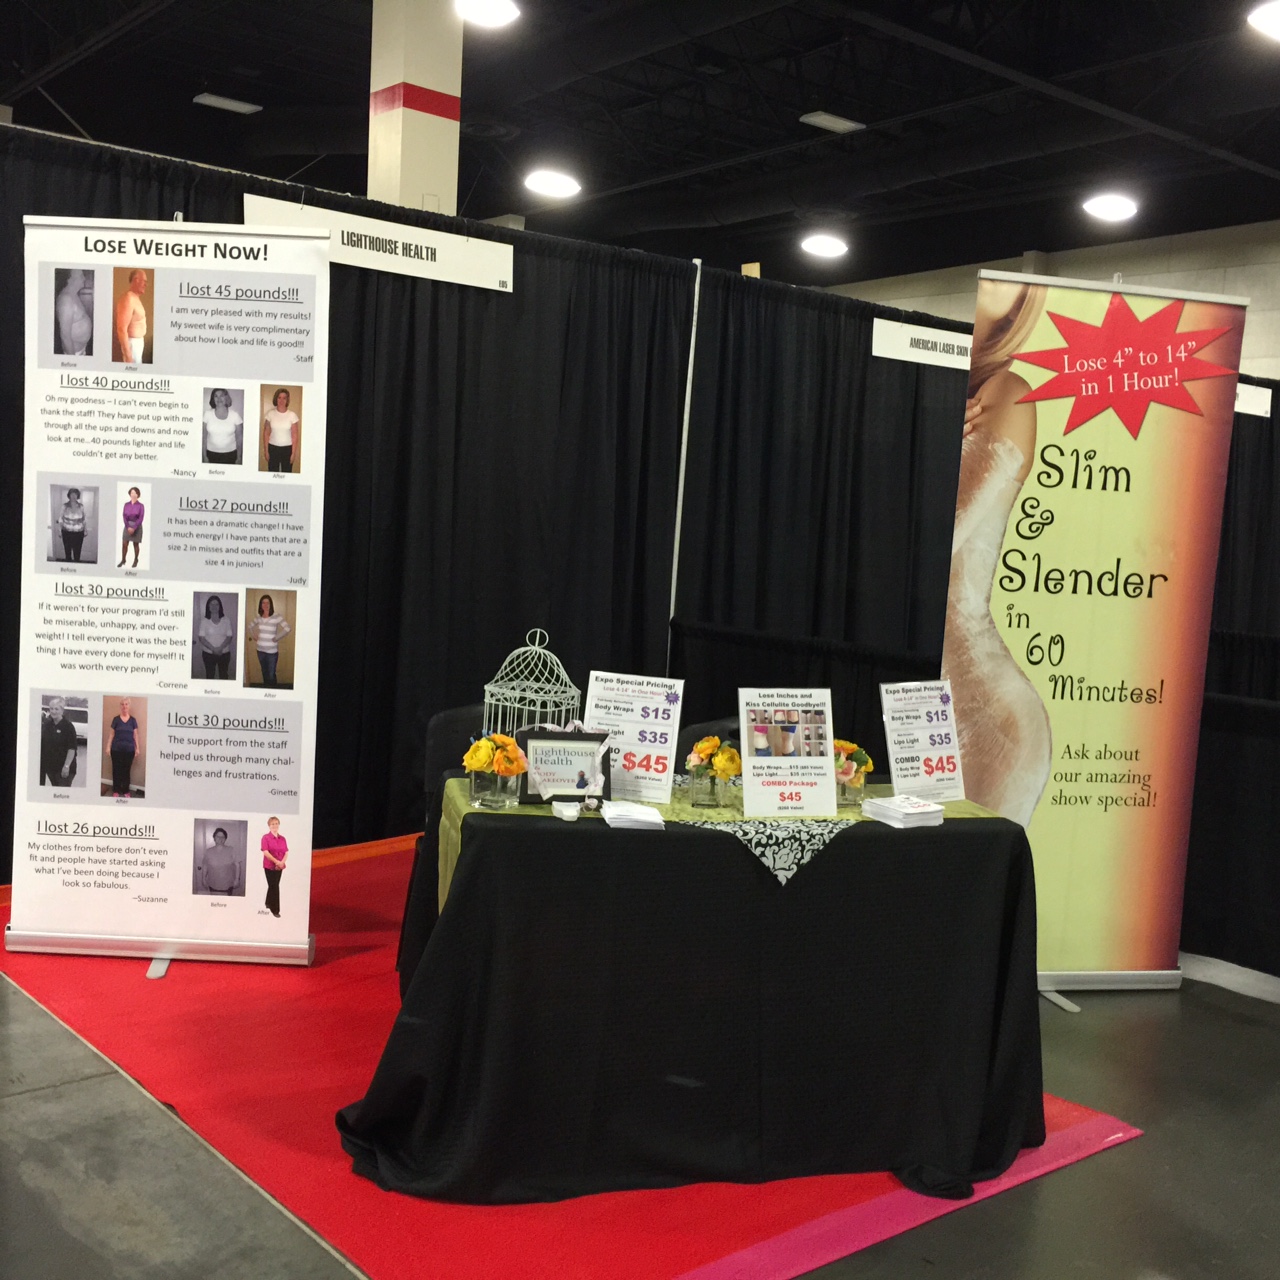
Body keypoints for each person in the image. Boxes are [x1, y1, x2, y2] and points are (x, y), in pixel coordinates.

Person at [940, 280, 1052, 827]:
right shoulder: (938, 382)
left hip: (989, 716)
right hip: (926, 708)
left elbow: (938, 538)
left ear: (1024, 304)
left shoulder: (1009, 390)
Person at [248, 594, 291, 687]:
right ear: (260, 605)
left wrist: (277, 637)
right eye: (263, 603)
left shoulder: (276, 616)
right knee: (264, 672)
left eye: (267, 603)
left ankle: (273, 691)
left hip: (272, 652)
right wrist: (254, 635)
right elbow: (250, 626)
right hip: (260, 651)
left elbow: (287, 628)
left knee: (271, 675)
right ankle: (266, 690)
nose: (265, 605)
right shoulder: (259, 617)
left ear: (271, 604)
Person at [105, 696, 142, 798]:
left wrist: (137, 748)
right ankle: (116, 790)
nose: (124, 706)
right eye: (122, 704)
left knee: (126, 771)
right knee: (116, 770)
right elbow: (111, 735)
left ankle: (125, 790)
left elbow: (135, 735)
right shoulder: (116, 720)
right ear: (120, 706)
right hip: (116, 750)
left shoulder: (133, 720)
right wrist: (108, 747)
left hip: (129, 750)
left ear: (129, 706)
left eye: (126, 704)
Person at [40, 697, 79, 788]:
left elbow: (72, 748)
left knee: (62, 793)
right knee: (55, 789)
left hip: (64, 769)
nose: (53, 711)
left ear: (62, 710)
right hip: (51, 768)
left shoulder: (68, 726)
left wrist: (66, 766)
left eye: (56, 709)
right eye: (51, 708)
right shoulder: (47, 725)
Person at [55, 269, 94, 355]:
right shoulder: (66, 301)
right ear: (69, 279)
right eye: (80, 276)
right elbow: (65, 337)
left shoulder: (73, 295)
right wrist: (72, 360)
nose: (84, 278)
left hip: (81, 351)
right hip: (74, 353)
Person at [115, 268, 148, 364]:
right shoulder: (128, 298)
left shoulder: (135, 298)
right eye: (144, 281)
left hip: (137, 344)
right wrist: (128, 356)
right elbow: (121, 329)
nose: (145, 285)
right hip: (132, 345)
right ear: (136, 280)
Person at [262, 388, 299, 473]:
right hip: (273, 448)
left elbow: (295, 435)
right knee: (272, 473)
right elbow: (266, 433)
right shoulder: (270, 414)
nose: (281, 400)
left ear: (287, 400)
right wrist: (266, 451)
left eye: (284, 398)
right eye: (279, 397)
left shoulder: (292, 415)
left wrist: (293, 453)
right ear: (276, 399)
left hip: (287, 449)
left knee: (287, 473)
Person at [203, 388, 243, 464]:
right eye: (216, 396)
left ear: (226, 398)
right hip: (210, 453)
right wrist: (204, 456)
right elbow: (203, 437)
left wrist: (239, 457)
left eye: (221, 396)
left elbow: (239, 439)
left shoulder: (235, 415)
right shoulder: (207, 414)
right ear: (213, 399)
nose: (219, 399)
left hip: (231, 454)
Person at [197, 595, 233, 679]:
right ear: (208, 606)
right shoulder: (204, 621)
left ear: (220, 606)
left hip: (224, 653)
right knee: (210, 676)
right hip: (208, 654)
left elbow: (229, 636)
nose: (214, 606)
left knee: (224, 676)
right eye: (211, 604)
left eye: (216, 604)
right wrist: (213, 649)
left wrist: (220, 648)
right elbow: (201, 638)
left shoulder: (226, 620)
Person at [200, 827, 241, 895]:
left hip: (228, 884)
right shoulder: (208, 851)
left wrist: (237, 879)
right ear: (214, 838)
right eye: (218, 836)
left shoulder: (231, 850)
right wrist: (203, 879)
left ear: (225, 839)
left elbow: (237, 865)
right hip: (213, 884)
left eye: (223, 837)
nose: (220, 838)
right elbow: (205, 866)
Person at [261, 817, 288, 917]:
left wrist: (282, 863)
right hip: (269, 866)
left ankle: (268, 903)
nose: (275, 825)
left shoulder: (283, 838)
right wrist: (277, 862)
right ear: (269, 825)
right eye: (272, 824)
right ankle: (275, 910)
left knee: (273, 885)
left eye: (276, 823)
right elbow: (266, 852)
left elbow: (286, 852)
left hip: (280, 866)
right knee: (274, 886)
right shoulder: (265, 838)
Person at [57, 488, 87, 562]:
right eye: (72, 494)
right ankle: (68, 565)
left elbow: (84, 519)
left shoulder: (81, 506)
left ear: (78, 496)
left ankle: (76, 565)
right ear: (69, 495)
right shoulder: (64, 506)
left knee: (77, 552)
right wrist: (59, 530)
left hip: (79, 533)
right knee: (67, 552)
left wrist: (85, 530)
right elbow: (60, 519)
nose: (74, 496)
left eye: (75, 494)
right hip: (66, 532)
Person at [118, 486, 144, 568]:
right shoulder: (126, 505)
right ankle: (123, 560)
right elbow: (124, 516)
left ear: (138, 494)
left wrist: (134, 528)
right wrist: (128, 526)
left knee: (135, 545)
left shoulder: (141, 506)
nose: (133, 494)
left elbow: (141, 518)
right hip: (127, 526)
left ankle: (136, 560)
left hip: (137, 526)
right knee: (124, 544)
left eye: (135, 493)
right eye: (131, 493)